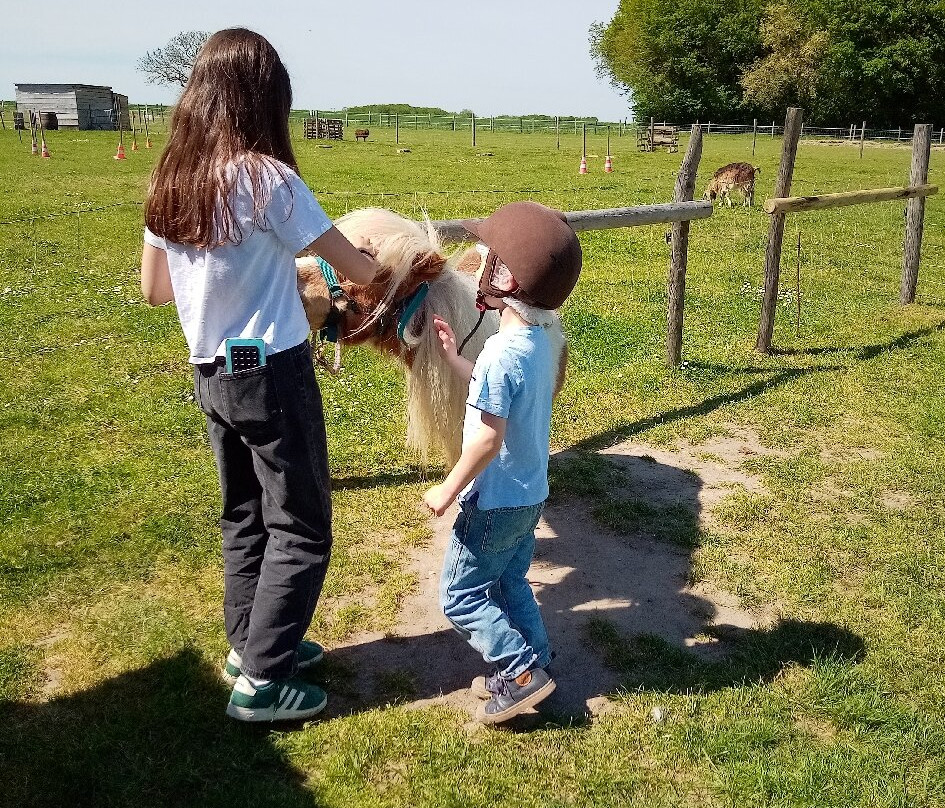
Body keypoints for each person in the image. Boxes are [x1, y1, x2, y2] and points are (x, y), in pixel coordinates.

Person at [140, 28, 379, 723]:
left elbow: (155, 289)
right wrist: (360, 258)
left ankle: (251, 644)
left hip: (211, 373)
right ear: (264, 98)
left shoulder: (169, 180)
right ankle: (264, 683)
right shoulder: (268, 179)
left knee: (244, 514)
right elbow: (357, 269)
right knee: (302, 525)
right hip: (272, 372)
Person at [422, 201, 582, 723]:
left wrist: (447, 488)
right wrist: (456, 360)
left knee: (461, 595)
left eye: (485, 258)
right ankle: (538, 658)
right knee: (511, 583)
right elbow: (504, 389)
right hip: (529, 495)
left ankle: (519, 673)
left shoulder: (499, 353)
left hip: (493, 501)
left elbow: (488, 440)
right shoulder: (538, 343)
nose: (476, 267)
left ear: (505, 279)